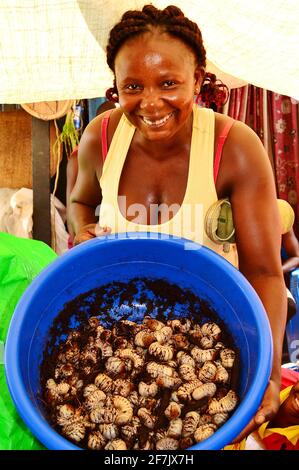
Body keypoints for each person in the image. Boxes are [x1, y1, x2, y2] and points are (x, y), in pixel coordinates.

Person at [67, 4, 287, 441]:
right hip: (118, 345)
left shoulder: (234, 147)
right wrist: (83, 231)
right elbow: (80, 202)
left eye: (169, 83)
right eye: (132, 87)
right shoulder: (101, 138)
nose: (150, 103)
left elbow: (263, 271)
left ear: (198, 80)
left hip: (209, 349)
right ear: (115, 87)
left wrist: (269, 367)